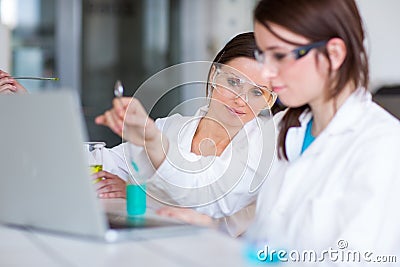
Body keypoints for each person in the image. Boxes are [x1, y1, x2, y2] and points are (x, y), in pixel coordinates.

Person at [96, 32, 277, 237]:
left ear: (269, 100)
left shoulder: (265, 147)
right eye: (234, 82)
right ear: (214, 76)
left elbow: (206, 200)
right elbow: (109, 161)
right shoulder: (171, 127)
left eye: (257, 93)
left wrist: (138, 193)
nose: (241, 100)